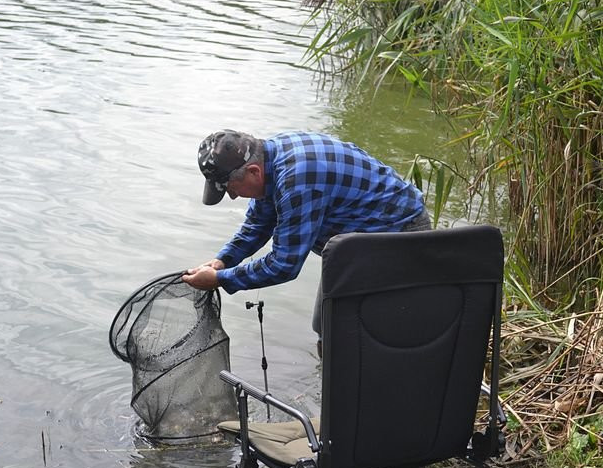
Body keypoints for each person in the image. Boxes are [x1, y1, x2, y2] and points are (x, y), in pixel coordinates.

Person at [182, 129, 431, 332]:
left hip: (397, 236)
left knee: (368, 333)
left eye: (232, 189)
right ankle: (334, 386)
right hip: (353, 246)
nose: (234, 197)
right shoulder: (267, 158)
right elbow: (258, 224)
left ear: (253, 172)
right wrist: (222, 261)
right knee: (325, 326)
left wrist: (221, 280)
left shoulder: (296, 180)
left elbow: (284, 265)